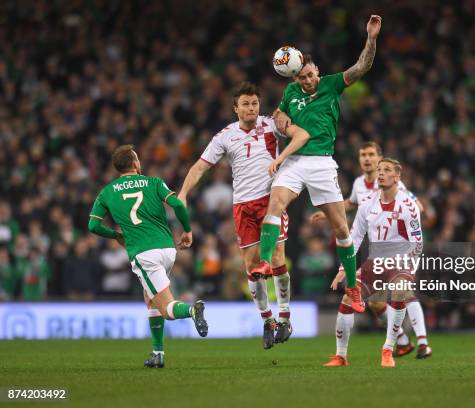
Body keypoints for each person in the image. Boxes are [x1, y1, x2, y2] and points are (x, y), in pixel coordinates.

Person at [251, 15, 384, 313]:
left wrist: (371, 39)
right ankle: (263, 261)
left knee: (341, 229)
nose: (308, 81)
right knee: (276, 205)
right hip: (295, 161)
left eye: (311, 75)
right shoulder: (291, 93)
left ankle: (352, 287)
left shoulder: (332, 84)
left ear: (317, 72)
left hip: (322, 163)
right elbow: (277, 114)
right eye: (302, 78)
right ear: (294, 78)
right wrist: (282, 121)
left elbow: (362, 67)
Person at [178, 82, 310, 349]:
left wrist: (284, 153)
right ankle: (268, 320)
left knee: (275, 258)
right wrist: (182, 194)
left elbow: (299, 132)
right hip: (243, 207)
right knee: (251, 268)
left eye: (255, 103)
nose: (251, 108)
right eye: (246, 104)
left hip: (271, 201)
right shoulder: (224, 136)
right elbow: (200, 168)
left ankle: (285, 315)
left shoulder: (272, 124)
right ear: (235, 108)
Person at [88, 145, 208, 368]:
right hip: (167, 249)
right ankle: (158, 353)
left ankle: (192, 310)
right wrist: (188, 230)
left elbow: (92, 225)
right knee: (150, 297)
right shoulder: (154, 182)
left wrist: (115, 235)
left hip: (144, 254)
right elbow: (176, 204)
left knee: (166, 307)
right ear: (135, 163)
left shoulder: (107, 192)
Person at [311, 141, 431, 357]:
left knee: (403, 292)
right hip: (375, 251)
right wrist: (328, 213)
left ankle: (422, 341)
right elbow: (351, 207)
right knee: (375, 303)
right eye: (362, 155)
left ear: (379, 158)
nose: (366, 159)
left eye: (371, 155)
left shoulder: (397, 189)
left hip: (400, 254)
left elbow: (416, 209)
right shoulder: (359, 185)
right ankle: (403, 341)